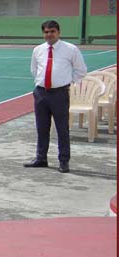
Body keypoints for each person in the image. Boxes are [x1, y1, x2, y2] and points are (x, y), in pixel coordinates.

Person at [26, 20, 87, 173]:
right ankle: (41, 158)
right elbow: (34, 69)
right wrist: (41, 83)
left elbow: (81, 70)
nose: (49, 34)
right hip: (41, 93)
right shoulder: (38, 50)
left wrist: (67, 82)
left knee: (62, 129)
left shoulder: (70, 49)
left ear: (59, 32)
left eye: (52, 31)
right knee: (41, 127)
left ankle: (64, 161)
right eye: (46, 32)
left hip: (59, 94)